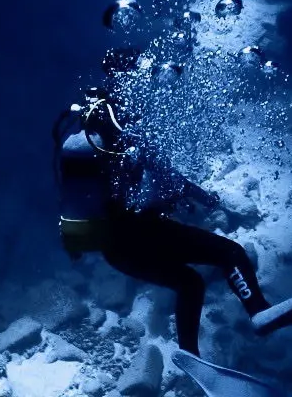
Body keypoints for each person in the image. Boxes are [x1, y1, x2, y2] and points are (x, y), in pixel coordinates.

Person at [52, 85, 271, 358]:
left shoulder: (79, 146)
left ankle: (189, 355)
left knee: (189, 284)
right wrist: (206, 198)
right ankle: (260, 312)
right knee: (231, 253)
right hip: (140, 233)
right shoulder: (130, 139)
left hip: (114, 250)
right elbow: (172, 181)